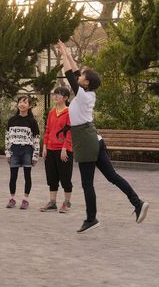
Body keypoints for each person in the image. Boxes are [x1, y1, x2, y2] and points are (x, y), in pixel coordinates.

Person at [58, 40, 150, 233]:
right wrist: (66, 52)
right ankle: (137, 202)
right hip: (94, 140)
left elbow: (68, 73)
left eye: (82, 75)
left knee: (87, 183)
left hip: (86, 141)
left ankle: (91, 219)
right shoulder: (87, 93)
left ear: (86, 82)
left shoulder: (82, 95)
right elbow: (74, 71)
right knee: (112, 176)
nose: (79, 75)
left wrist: (63, 54)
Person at [40, 86, 74, 213]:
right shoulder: (51, 112)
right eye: (54, 94)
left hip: (64, 150)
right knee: (52, 177)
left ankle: (67, 202)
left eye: (58, 94)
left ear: (65, 97)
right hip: (50, 149)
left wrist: (65, 147)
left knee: (65, 177)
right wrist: (44, 147)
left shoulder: (70, 112)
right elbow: (47, 130)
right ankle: (52, 203)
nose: (55, 96)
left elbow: (70, 132)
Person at [5, 95, 40, 210]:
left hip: (27, 150)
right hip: (14, 149)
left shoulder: (32, 121)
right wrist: (8, 152)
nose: (22, 104)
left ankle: (25, 200)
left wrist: (35, 155)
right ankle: (12, 198)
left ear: (29, 106)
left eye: (25, 102)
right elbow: (7, 137)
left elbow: (36, 139)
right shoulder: (12, 120)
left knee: (27, 175)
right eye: (20, 102)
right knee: (13, 176)